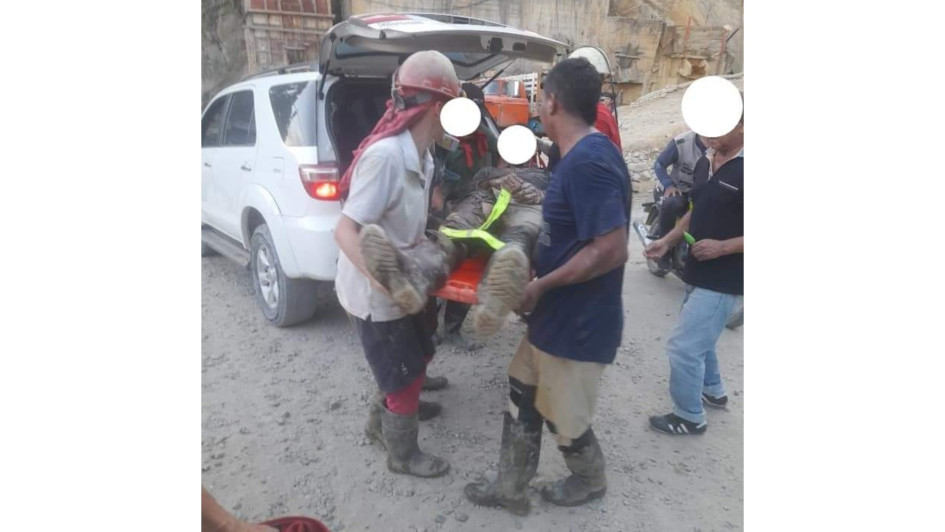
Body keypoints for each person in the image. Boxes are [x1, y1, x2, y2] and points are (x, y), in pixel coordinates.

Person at [464, 57, 630, 514]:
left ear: (553, 101)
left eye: (540, 96)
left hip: (580, 321)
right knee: (521, 387)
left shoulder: (590, 163)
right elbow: (571, 233)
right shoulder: (574, 155)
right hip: (556, 313)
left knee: (565, 416)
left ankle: (589, 479)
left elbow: (613, 249)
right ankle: (511, 486)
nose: (537, 104)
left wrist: (541, 285)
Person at [333, 50, 463, 478]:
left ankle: (382, 422)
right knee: (402, 372)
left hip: (410, 280)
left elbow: (408, 223)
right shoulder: (387, 158)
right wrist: (387, 282)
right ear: (439, 109)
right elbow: (346, 231)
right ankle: (402, 454)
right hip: (378, 291)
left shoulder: (422, 157)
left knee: (419, 354)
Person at [643, 116, 744, 436]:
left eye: (720, 126)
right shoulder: (705, 161)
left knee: (684, 348)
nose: (709, 134)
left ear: (743, 124)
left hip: (726, 278)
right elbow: (695, 211)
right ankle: (713, 390)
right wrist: (667, 239)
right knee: (703, 338)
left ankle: (689, 416)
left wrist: (723, 247)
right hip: (695, 270)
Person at [435, 82, 501, 348]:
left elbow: (502, 157)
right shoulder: (443, 139)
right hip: (450, 211)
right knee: (440, 263)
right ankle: (430, 329)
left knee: (471, 268)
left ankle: (452, 327)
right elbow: (433, 173)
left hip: (480, 209)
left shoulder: (484, 135)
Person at [650, 130, 707, 240]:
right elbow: (659, 164)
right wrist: (669, 185)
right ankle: (664, 247)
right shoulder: (681, 142)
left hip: (705, 192)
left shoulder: (725, 142)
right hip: (681, 190)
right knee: (671, 203)